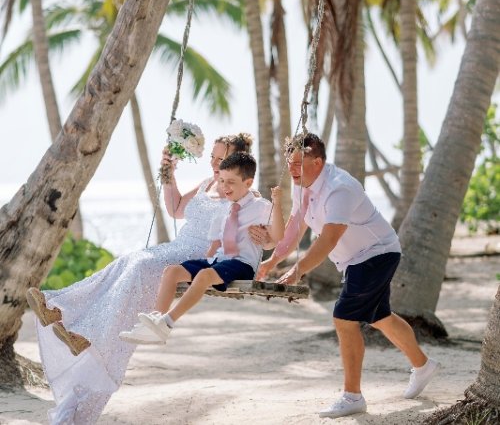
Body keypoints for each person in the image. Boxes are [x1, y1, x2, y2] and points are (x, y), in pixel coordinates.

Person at [25, 133, 255, 425]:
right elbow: (175, 209)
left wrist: (265, 240)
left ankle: (78, 328)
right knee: (127, 260)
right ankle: (61, 311)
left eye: (222, 160)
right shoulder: (209, 184)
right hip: (175, 247)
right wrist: (168, 173)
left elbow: (259, 222)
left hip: (195, 257)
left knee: (138, 267)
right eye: (213, 157)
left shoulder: (243, 195)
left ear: (237, 163)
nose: (215, 165)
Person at [257, 132, 439, 419]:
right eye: (288, 163)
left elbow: (327, 240)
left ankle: (353, 396)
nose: (291, 169)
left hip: (376, 253)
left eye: (297, 163)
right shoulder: (301, 184)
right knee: (380, 317)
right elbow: (296, 224)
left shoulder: (339, 188)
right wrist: (273, 260)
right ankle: (423, 365)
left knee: (344, 318)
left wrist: (298, 270)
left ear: (317, 162)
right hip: (356, 260)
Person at [120, 151, 284, 344]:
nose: (224, 186)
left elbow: (278, 236)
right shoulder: (224, 208)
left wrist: (278, 204)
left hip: (242, 264)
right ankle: (154, 323)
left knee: (204, 276)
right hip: (219, 260)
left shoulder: (260, 206)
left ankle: (168, 322)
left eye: (230, 182)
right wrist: (207, 258)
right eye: (222, 181)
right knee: (172, 271)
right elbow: (216, 241)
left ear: (247, 183)